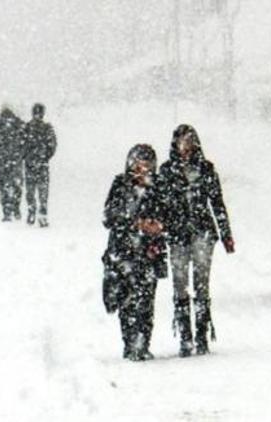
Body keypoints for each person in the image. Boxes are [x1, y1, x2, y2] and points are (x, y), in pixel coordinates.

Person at [159, 124, 235, 357]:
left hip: (202, 231)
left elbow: (217, 202)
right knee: (180, 283)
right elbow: (161, 205)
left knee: (202, 282)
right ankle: (185, 336)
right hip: (177, 234)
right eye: (182, 141)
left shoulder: (206, 169)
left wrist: (225, 234)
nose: (186, 146)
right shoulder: (167, 171)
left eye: (190, 141)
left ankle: (201, 335)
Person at [102, 144, 168, 361]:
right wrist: (134, 222)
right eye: (138, 165)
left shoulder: (158, 188)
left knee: (146, 301)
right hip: (122, 252)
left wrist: (158, 226)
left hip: (148, 253)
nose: (142, 170)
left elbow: (168, 216)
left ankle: (142, 342)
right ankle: (130, 343)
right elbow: (108, 217)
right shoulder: (120, 185)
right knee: (126, 300)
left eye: (147, 166)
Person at [0, 106, 25, 221]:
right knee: (17, 184)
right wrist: (24, 156)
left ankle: (6, 211)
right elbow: (25, 143)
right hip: (16, 160)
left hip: (0, 161)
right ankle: (16, 207)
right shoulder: (19, 124)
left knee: (3, 186)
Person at [22, 103, 57, 227]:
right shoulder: (47, 128)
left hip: (30, 164)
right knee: (43, 191)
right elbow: (53, 146)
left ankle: (31, 212)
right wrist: (45, 156)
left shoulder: (26, 127)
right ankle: (42, 214)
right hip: (42, 164)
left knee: (30, 190)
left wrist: (26, 156)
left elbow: (21, 145)